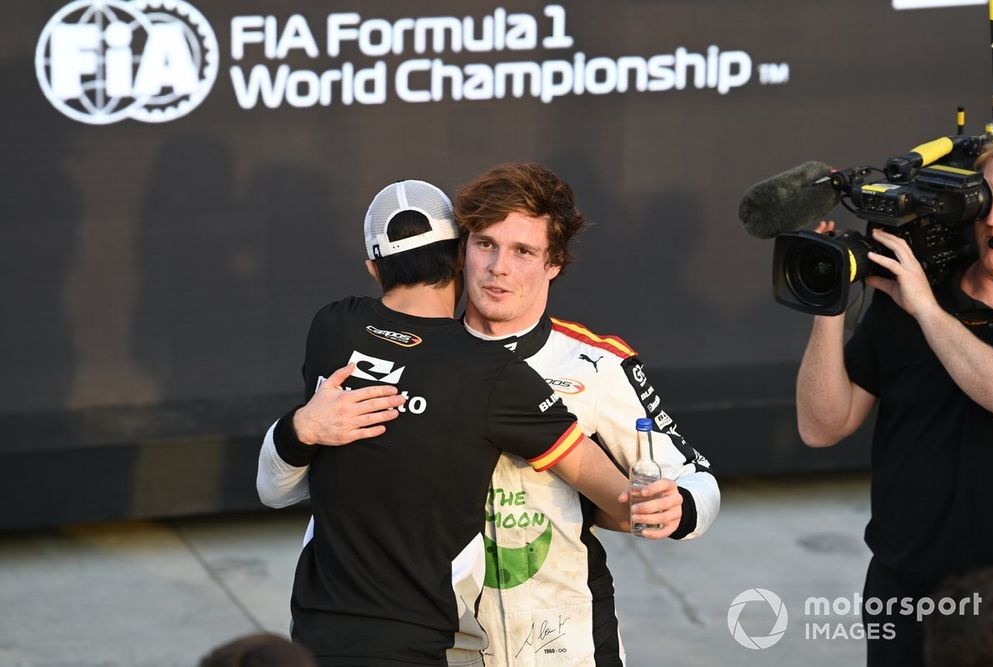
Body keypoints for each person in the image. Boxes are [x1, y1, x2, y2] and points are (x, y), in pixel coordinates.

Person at [256, 179, 644, 666]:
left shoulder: (332, 328)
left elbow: (278, 488)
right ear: (461, 256)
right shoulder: (493, 376)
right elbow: (624, 504)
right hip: (413, 645)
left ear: (374, 269)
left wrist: (302, 429)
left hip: (314, 630)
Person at [452, 163, 720, 666]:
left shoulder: (598, 364)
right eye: (485, 244)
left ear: (554, 263)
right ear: (463, 247)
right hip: (444, 643)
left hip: (568, 643)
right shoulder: (422, 353)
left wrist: (678, 504)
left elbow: (698, 480)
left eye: (523, 251)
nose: (498, 267)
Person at [796, 143, 993, 666]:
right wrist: (831, 303)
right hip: (905, 585)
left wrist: (927, 311)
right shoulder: (906, 302)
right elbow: (824, 426)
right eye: (989, 198)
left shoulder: (919, 303)